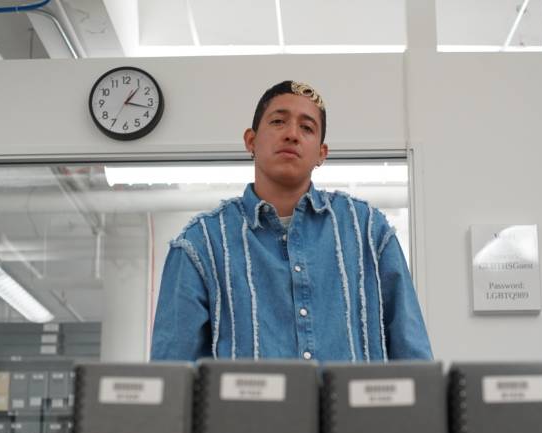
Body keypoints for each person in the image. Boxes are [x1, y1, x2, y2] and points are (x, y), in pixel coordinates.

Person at [151, 81, 432, 362]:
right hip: (246, 408)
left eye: (307, 128)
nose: (292, 135)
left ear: (322, 153)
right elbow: (172, 373)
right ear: (251, 140)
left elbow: (413, 353)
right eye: (278, 122)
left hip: (351, 407)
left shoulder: (368, 231)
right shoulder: (201, 244)